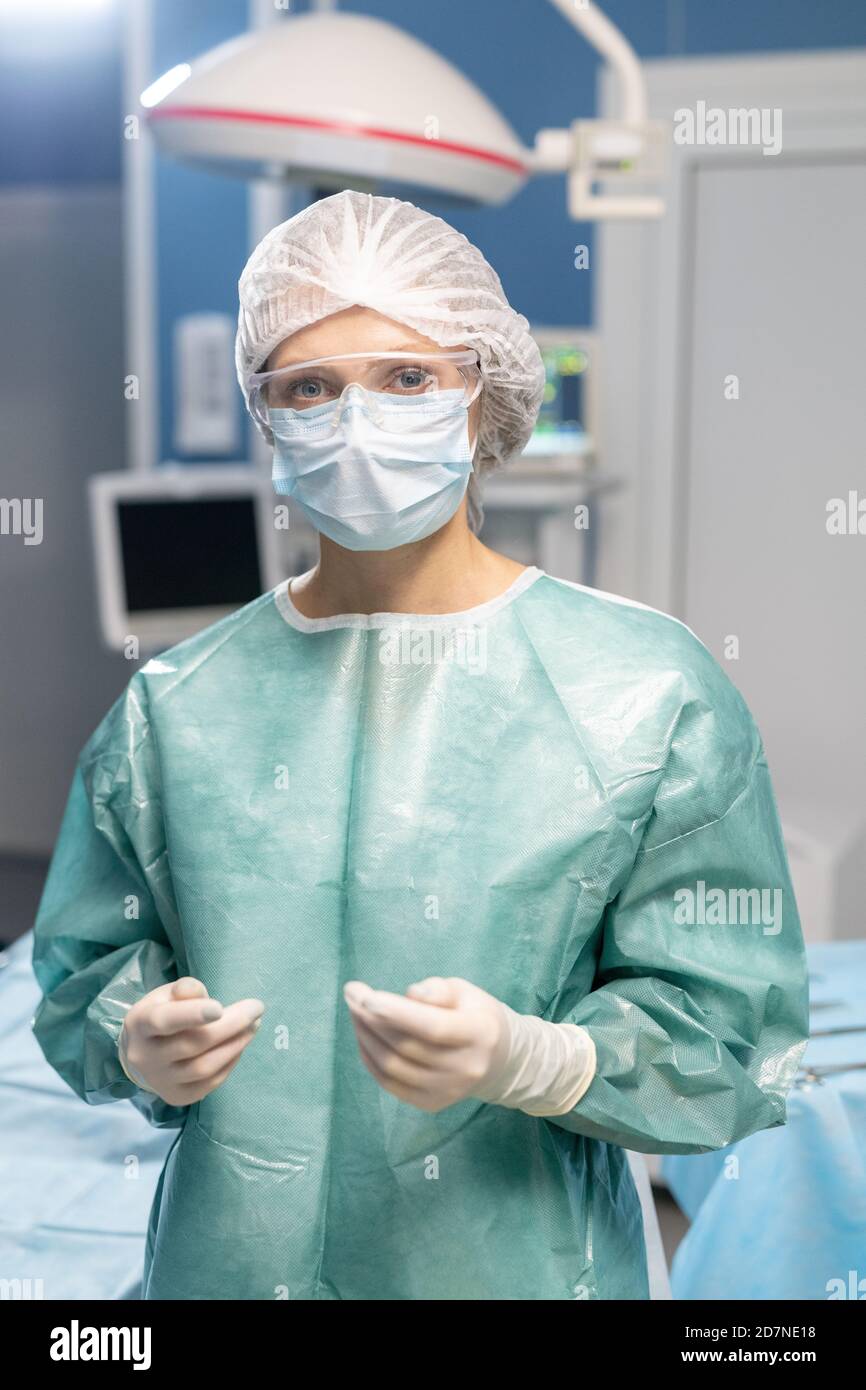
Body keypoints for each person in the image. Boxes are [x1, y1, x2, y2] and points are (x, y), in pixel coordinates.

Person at [31, 190, 808, 1301]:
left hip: (510, 1264)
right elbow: (88, 970)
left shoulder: (642, 690)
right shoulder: (177, 705)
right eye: (310, 386)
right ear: (266, 416)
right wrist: (134, 1036)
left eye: (404, 378)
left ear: (482, 393)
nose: (354, 419)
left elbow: (728, 1029)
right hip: (230, 1264)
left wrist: (537, 1058)